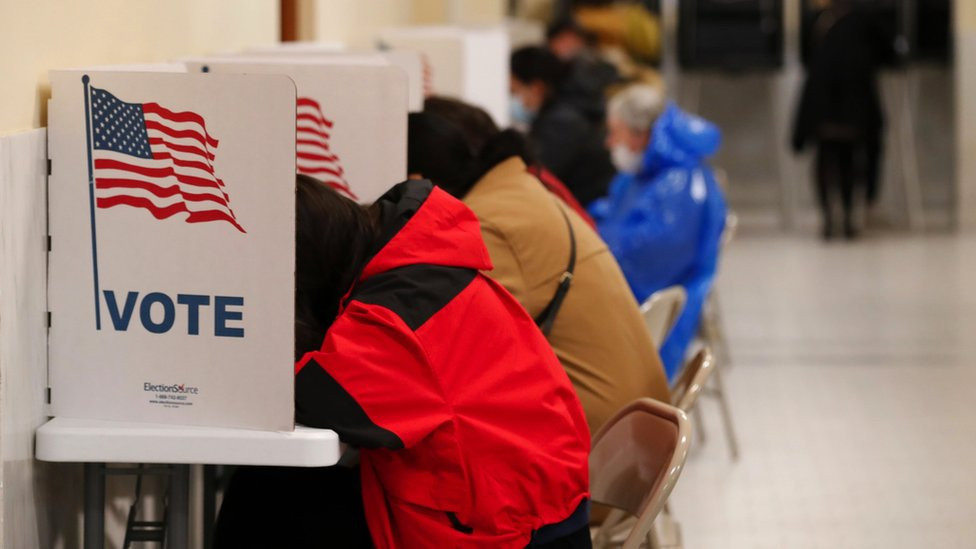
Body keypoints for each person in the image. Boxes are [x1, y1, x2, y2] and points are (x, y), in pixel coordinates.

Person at [217, 175, 592, 548]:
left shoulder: (401, 315)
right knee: (270, 489)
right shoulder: (416, 272)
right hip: (517, 506)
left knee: (265, 500)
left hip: (504, 531)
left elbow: (317, 398)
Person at [409, 99, 671, 433]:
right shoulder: (518, 190)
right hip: (625, 425)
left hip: (598, 442)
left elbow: (442, 346)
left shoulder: (492, 221)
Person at [590, 84, 727, 379]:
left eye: (616, 133)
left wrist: (592, 245)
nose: (609, 142)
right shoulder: (653, 175)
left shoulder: (679, 185)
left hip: (659, 307)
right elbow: (619, 215)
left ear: (640, 135)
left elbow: (649, 257)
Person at [792, 0, 897, 239]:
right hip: (855, 100)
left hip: (822, 100)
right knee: (850, 158)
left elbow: (805, 56)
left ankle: (829, 218)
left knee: (826, 157)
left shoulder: (816, 17)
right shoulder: (867, 17)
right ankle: (850, 218)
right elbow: (888, 54)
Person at [510, 46, 615, 207]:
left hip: (587, 208)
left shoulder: (562, 123)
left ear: (537, 88)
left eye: (515, 91)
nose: (516, 100)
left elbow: (541, 176)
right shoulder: (568, 109)